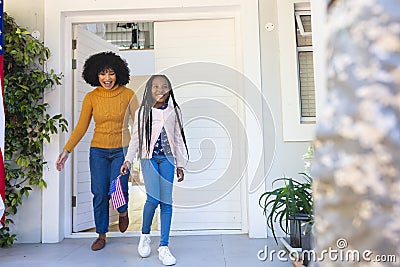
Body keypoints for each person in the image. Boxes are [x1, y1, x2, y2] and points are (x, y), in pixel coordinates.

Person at [56, 51, 139, 251]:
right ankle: (101, 234)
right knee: (100, 193)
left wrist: (142, 150)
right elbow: (81, 127)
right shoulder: (91, 97)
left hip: (121, 150)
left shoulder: (128, 94)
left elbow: (138, 125)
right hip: (98, 152)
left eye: (111, 73)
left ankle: (122, 211)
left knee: (117, 189)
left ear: (118, 73)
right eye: (102, 74)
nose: (107, 78)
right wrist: (66, 150)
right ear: (95, 75)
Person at [120, 74, 188, 266]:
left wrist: (180, 164)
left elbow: (178, 139)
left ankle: (164, 246)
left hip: (167, 159)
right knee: (153, 199)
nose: (160, 90)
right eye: (156, 86)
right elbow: (135, 139)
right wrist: (127, 160)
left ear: (169, 90)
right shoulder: (143, 112)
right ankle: (145, 235)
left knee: (167, 202)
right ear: (149, 89)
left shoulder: (175, 110)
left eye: (164, 86)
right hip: (148, 159)